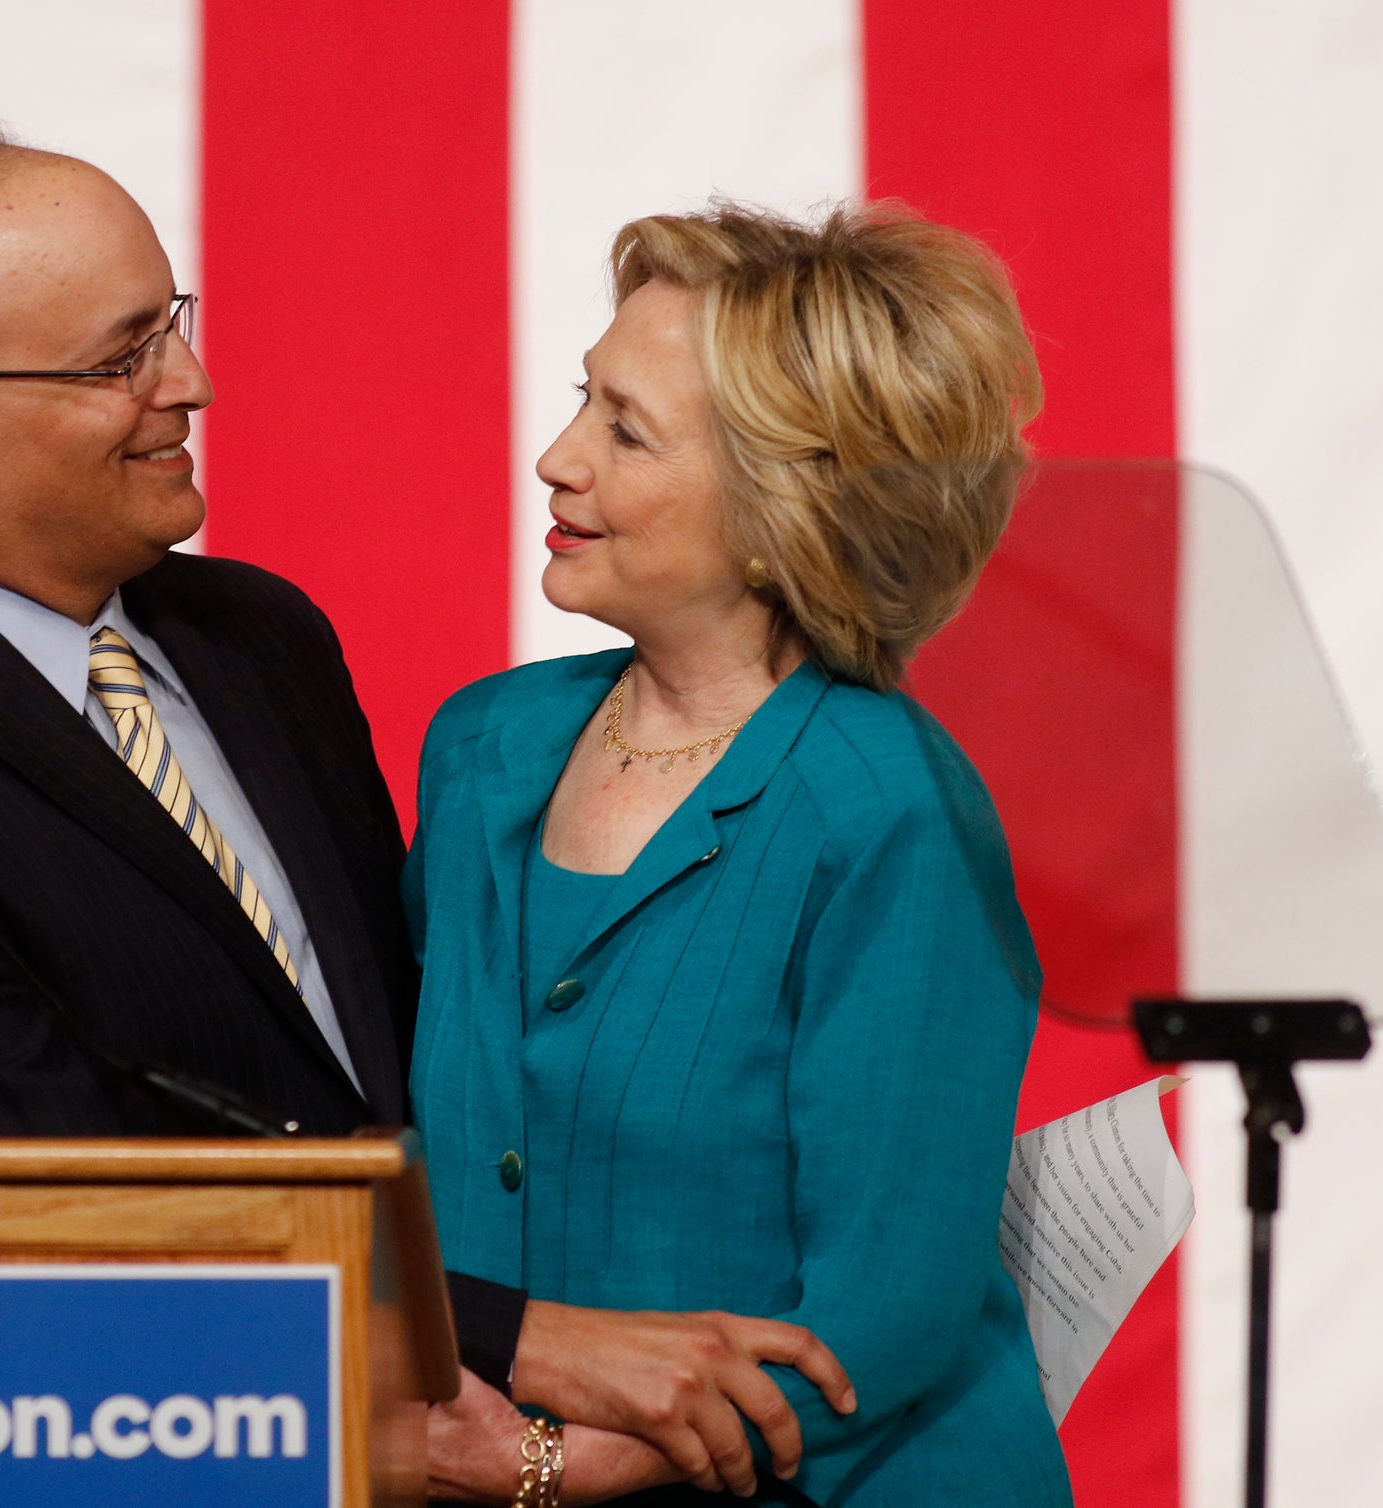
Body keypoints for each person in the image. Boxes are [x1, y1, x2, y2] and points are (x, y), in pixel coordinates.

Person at [0, 114, 849, 1482]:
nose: (188, 380)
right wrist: (516, 1339)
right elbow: (32, 1247)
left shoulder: (260, 640)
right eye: (124, 356)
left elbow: (411, 1059)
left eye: (171, 322)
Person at [410, 202, 1074, 1505]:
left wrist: (553, 1464)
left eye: (625, 430)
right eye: (579, 401)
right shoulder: (481, 748)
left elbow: (885, 1313)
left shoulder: (893, 811)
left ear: (783, 514)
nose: (555, 457)